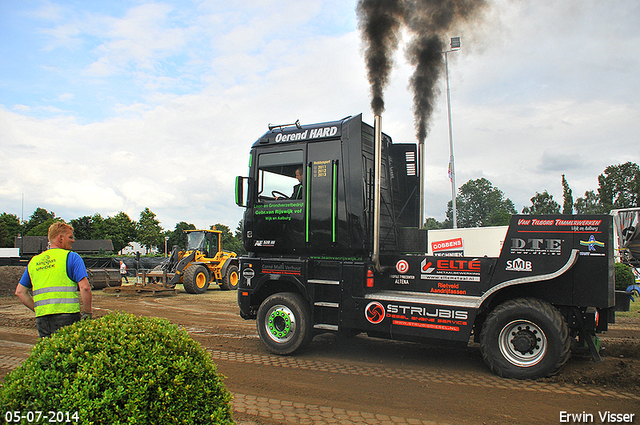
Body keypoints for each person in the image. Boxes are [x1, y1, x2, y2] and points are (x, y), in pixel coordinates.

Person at [15, 222, 92, 338]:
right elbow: (85, 288)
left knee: (49, 352)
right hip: (67, 317)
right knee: (68, 353)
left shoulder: (34, 262)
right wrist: (88, 311)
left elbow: (20, 292)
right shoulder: (71, 257)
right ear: (60, 238)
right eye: (70, 237)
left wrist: (38, 310)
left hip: (43, 319)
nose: (73, 241)